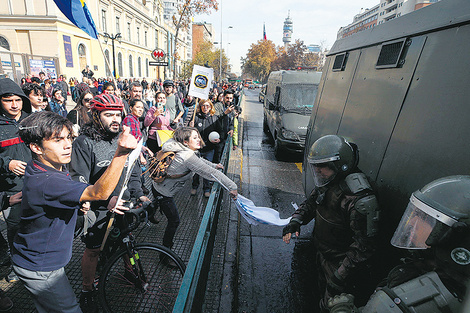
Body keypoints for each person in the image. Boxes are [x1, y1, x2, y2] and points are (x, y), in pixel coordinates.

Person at [12, 110, 137, 313]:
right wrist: (121, 152)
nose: (68, 144)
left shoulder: (45, 167)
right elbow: (99, 192)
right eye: (57, 140)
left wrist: (76, 202)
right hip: (42, 269)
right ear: (36, 147)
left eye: (69, 137)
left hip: (35, 258)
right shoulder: (47, 181)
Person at [328, 175, 470, 313]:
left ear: (452, 237)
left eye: (424, 218)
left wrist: (341, 309)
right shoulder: (433, 270)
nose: (412, 223)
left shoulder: (413, 300)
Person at [69, 93, 149, 313]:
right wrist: (106, 200)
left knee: (127, 240)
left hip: (122, 204)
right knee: (93, 251)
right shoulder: (84, 142)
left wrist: (139, 194)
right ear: (96, 116)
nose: (115, 119)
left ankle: (128, 272)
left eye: (118, 114)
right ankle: (87, 289)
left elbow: (132, 172)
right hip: (98, 208)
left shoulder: (123, 138)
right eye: (108, 114)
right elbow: (79, 181)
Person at [282, 135, 380, 311]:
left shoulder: (358, 200)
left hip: (341, 263)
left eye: (322, 167)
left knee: (333, 305)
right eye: (316, 167)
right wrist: (296, 220)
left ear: (339, 166)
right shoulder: (329, 181)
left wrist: (339, 276)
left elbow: (364, 247)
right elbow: (312, 203)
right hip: (323, 253)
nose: (318, 172)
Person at [151, 126, 237, 264]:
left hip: (158, 187)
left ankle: (152, 208)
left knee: (162, 208)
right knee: (174, 221)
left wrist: (214, 165)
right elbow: (209, 173)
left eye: (198, 136)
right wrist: (232, 187)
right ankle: (165, 255)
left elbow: (200, 161)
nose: (199, 140)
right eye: (195, 138)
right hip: (164, 192)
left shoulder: (182, 149)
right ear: (185, 142)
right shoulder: (186, 156)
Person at [0, 78, 33, 283]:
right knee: (15, 229)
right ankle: (17, 265)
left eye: (17, 100)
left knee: (37, 225)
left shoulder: (32, 121)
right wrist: (7, 163)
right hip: (11, 189)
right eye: (8, 100)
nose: (14, 105)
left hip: (37, 183)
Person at [190, 99, 223, 197]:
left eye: (207, 106)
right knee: (196, 169)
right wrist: (190, 126)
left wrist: (219, 138)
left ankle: (206, 189)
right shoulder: (195, 118)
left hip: (209, 148)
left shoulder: (214, 118)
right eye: (203, 106)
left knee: (207, 169)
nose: (205, 108)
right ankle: (194, 186)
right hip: (197, 149)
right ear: (200, 107)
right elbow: (189, 132)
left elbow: (220, 131)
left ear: (211, 107)